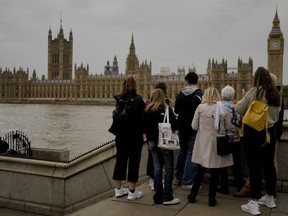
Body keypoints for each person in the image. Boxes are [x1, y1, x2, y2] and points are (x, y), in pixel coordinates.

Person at [236, 67, 281, 215]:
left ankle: (254, 203)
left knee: (254, 167)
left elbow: (240, 110)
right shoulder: (276, 93)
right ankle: (270, 196)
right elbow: (276, 114)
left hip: (254, 133)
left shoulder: (254, 92)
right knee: (268, 166)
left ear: (256, 78)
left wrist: (245, 99)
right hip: (270, 132)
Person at [187, 87, 232, 207]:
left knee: (200, 170)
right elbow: (228, 126)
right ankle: (211, 199)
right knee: (215, 172)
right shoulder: (223, 108)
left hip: (203, 143)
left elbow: (194, 126)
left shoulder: (200, 107)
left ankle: (192, 195)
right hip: (218, 143)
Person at [111, 76, 146, 200]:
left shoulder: (119, 99)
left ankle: (118, 189)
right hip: (134, 136)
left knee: (120, 160)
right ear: (135, 86)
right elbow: (143, 119)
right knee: (133, 162)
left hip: (120, 136)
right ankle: (132, 192)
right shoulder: (138, 100)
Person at [143, 88, 180, 205]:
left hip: (152, 143)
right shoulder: (167, 109)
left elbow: (143, 126)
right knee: (169, 169)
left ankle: (158, 196)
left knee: (157, 169)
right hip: (164, 143)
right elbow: (175, 125)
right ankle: (167, 196)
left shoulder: (147, 109)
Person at [174, 72, 203, 190]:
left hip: (181, 126)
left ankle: (179, 177)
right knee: (191, 153)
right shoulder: (199, 94)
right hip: (193, 127)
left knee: (182, 151)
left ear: (187, 81)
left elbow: (176, 110)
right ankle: (187, 181)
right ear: (196, 81)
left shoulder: (180, 93)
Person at [217, 85, 244, 194]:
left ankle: (224, 187)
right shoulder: (236, 107)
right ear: (232, 95)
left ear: (222, 95)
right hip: (236, 138)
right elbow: (241, 122)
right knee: (237, 163)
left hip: (224, 138)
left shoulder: (219, 107)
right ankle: (239, 185)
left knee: (223, 163)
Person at [146, 82, 169, 191]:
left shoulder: (148, 106)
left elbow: (143, 123)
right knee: (162, 162)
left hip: (150, 138)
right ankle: (160, 183)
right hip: (162, 138)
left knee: (153, 161)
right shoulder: (165, 106)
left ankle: (153, 181)